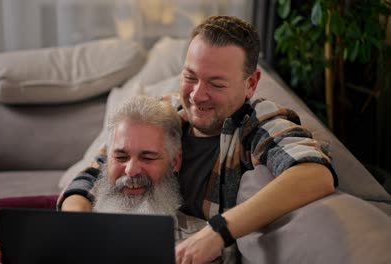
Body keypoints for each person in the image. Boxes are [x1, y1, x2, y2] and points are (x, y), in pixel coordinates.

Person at [58, 15, 337, 264]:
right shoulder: (165, 111)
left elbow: (315, 174)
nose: (196, 95)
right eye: (190, 77)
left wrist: (219, 231)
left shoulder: (257, 122)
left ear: (251, 83)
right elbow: (93, 174)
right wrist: (81, 230)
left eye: (216, 84)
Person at [0, 95, 235, 264]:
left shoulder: (203, 245)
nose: (131, 171)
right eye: (121, 156)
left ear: (174, 162)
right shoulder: (67, 225)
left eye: (147, 157)